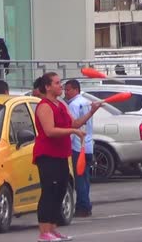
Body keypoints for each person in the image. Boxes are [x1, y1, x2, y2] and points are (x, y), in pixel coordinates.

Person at [33, 72, 101, 242]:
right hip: (47, 155)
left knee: (61, 189)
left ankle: (53, 229)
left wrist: (91, 112)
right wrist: (73, 132)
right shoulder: (44, 106)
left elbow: (75, 123)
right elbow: (50, 131)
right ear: (47, 87)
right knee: (49, 190)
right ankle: (44, 231)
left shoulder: (61, 104)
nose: (60, 86)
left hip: (62, 154)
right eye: (56, 83)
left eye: (60, 83)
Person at [64, 79, 94, 217]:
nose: (66, 92)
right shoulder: (86, 102)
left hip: (78, 146)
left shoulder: (74, 105)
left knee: (79, 178)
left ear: (76, 89)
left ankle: (83, 206)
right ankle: (86, 204)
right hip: (88, 145)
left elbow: (74, 125)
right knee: (85, 178)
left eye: (68, 89)